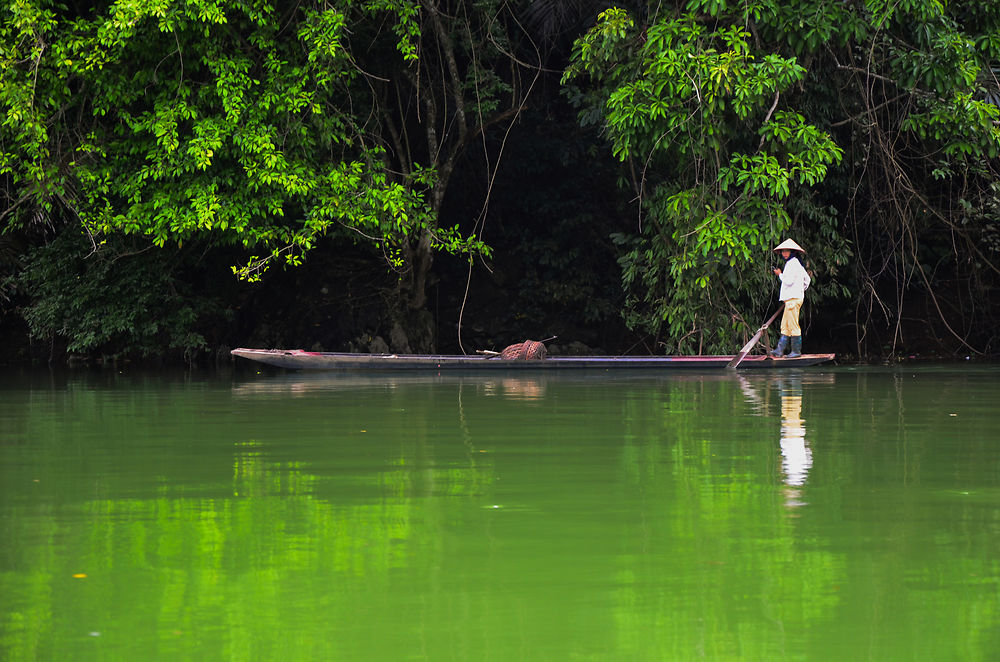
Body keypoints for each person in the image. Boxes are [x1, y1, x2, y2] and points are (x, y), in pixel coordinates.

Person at [770, 239, 810, 358]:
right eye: (783, 251)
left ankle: (796, 352)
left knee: (793, 325)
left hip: (793, 299)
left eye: (787, 251)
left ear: (792, 252)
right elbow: (807, 280)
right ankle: (779, 350)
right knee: (785, 325)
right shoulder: (796, 263)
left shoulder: (792, 263)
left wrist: (780, 274)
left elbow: (788, 281)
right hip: (793, 299)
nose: (784, 253)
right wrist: (799, 290)